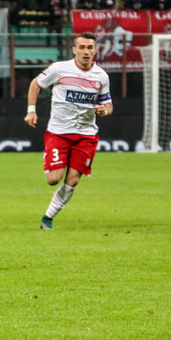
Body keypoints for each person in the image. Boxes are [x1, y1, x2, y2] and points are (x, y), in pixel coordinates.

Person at [24, 32, 113, 231]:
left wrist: (104, 110)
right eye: (82, 47)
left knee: (72, 180)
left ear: (95, 50)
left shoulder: (101, 76)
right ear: (74, 50)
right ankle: (50, 156)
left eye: (90, 47)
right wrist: (31, 111)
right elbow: (35, 84)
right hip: (59, 132)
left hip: (86, 135)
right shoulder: (59, 69)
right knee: (53, 179)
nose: (86, 51)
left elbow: (108, 105)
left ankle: (47, 218)